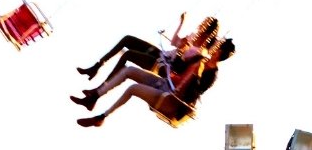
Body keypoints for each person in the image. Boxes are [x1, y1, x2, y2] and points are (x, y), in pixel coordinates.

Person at [75, 38, 235, 127]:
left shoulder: (211, 74)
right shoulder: (201, 58)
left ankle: (102, 117)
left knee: (133, 88)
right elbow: (179, 71)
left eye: (218, 45)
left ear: (220, 51)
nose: (215, 45)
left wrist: (194, 74)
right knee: (129, 70)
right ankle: (94, 96)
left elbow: (193, 92)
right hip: (166, 83)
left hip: (170, 100)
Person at [76, 14, 218, 81]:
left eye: (204, 25)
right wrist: (181, 23)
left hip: (166, 65)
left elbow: (181, 66)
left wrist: (183, 52)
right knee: (127, 39)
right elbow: (174, 42)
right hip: (162, 54)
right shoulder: (192, 37)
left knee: (129, 54)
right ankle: (96, 66)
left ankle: (104, 85)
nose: (200, 26)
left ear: (208, 34)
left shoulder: (201, 52)